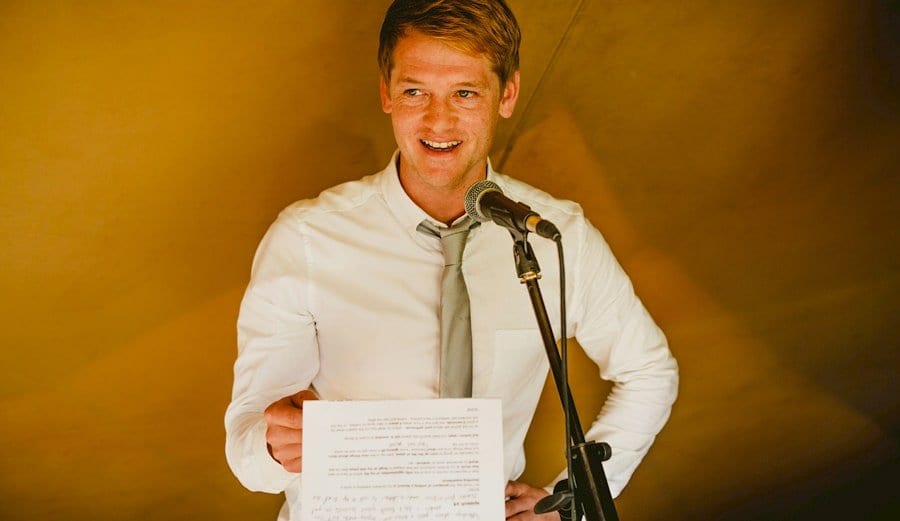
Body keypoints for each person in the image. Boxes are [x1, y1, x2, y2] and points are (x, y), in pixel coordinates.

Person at [225, 1, 678, 519]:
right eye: (415, 91)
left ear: (506, 95)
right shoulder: (305, 238)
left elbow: (648, 370)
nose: (438, 120)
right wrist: (272, 447)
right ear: (386, 93)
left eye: (465, 93)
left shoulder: (557, 237)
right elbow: (246, 452)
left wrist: (568, 502)